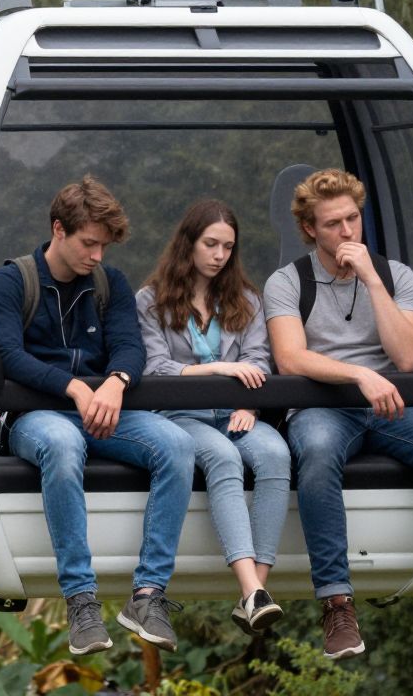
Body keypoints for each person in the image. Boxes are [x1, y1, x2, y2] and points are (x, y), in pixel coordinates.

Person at [264, 168, 413, 660]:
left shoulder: (395, 276)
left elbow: (407, 358)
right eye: (333, 224)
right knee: (318, 455)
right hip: (322, 406)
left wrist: (370, 280)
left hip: (389, 408)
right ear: (310, 230)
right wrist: (359, 375)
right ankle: (337, 604)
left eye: (353, 219)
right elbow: (291, 358)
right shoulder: (287, 282)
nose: (347, 232)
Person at [0, 175, 195, 656]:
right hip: (35, 415)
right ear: (59, 229)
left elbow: (129, 346)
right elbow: (6, 355)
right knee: (62, 444)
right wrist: (74, 387)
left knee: (178, 446)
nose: (97, 255)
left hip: (100, 410)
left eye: (104, 246)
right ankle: (80, 599)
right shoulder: (12, 283)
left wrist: (117, 382)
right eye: (89, 243)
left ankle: (148, 594)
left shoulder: (109, 284)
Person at [136, 200, 290, 637]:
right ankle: (251, 588)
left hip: (235, 413)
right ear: (188, 242)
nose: (219, 254)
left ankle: (257, 591)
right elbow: (156, 368)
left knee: (276, 454)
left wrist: (250, 405)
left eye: (227, 246)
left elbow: (259, 358)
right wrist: (219, 369)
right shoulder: (151, 301)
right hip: (180, 415)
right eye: (210, 244)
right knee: (223, 457)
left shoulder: (246, 299)